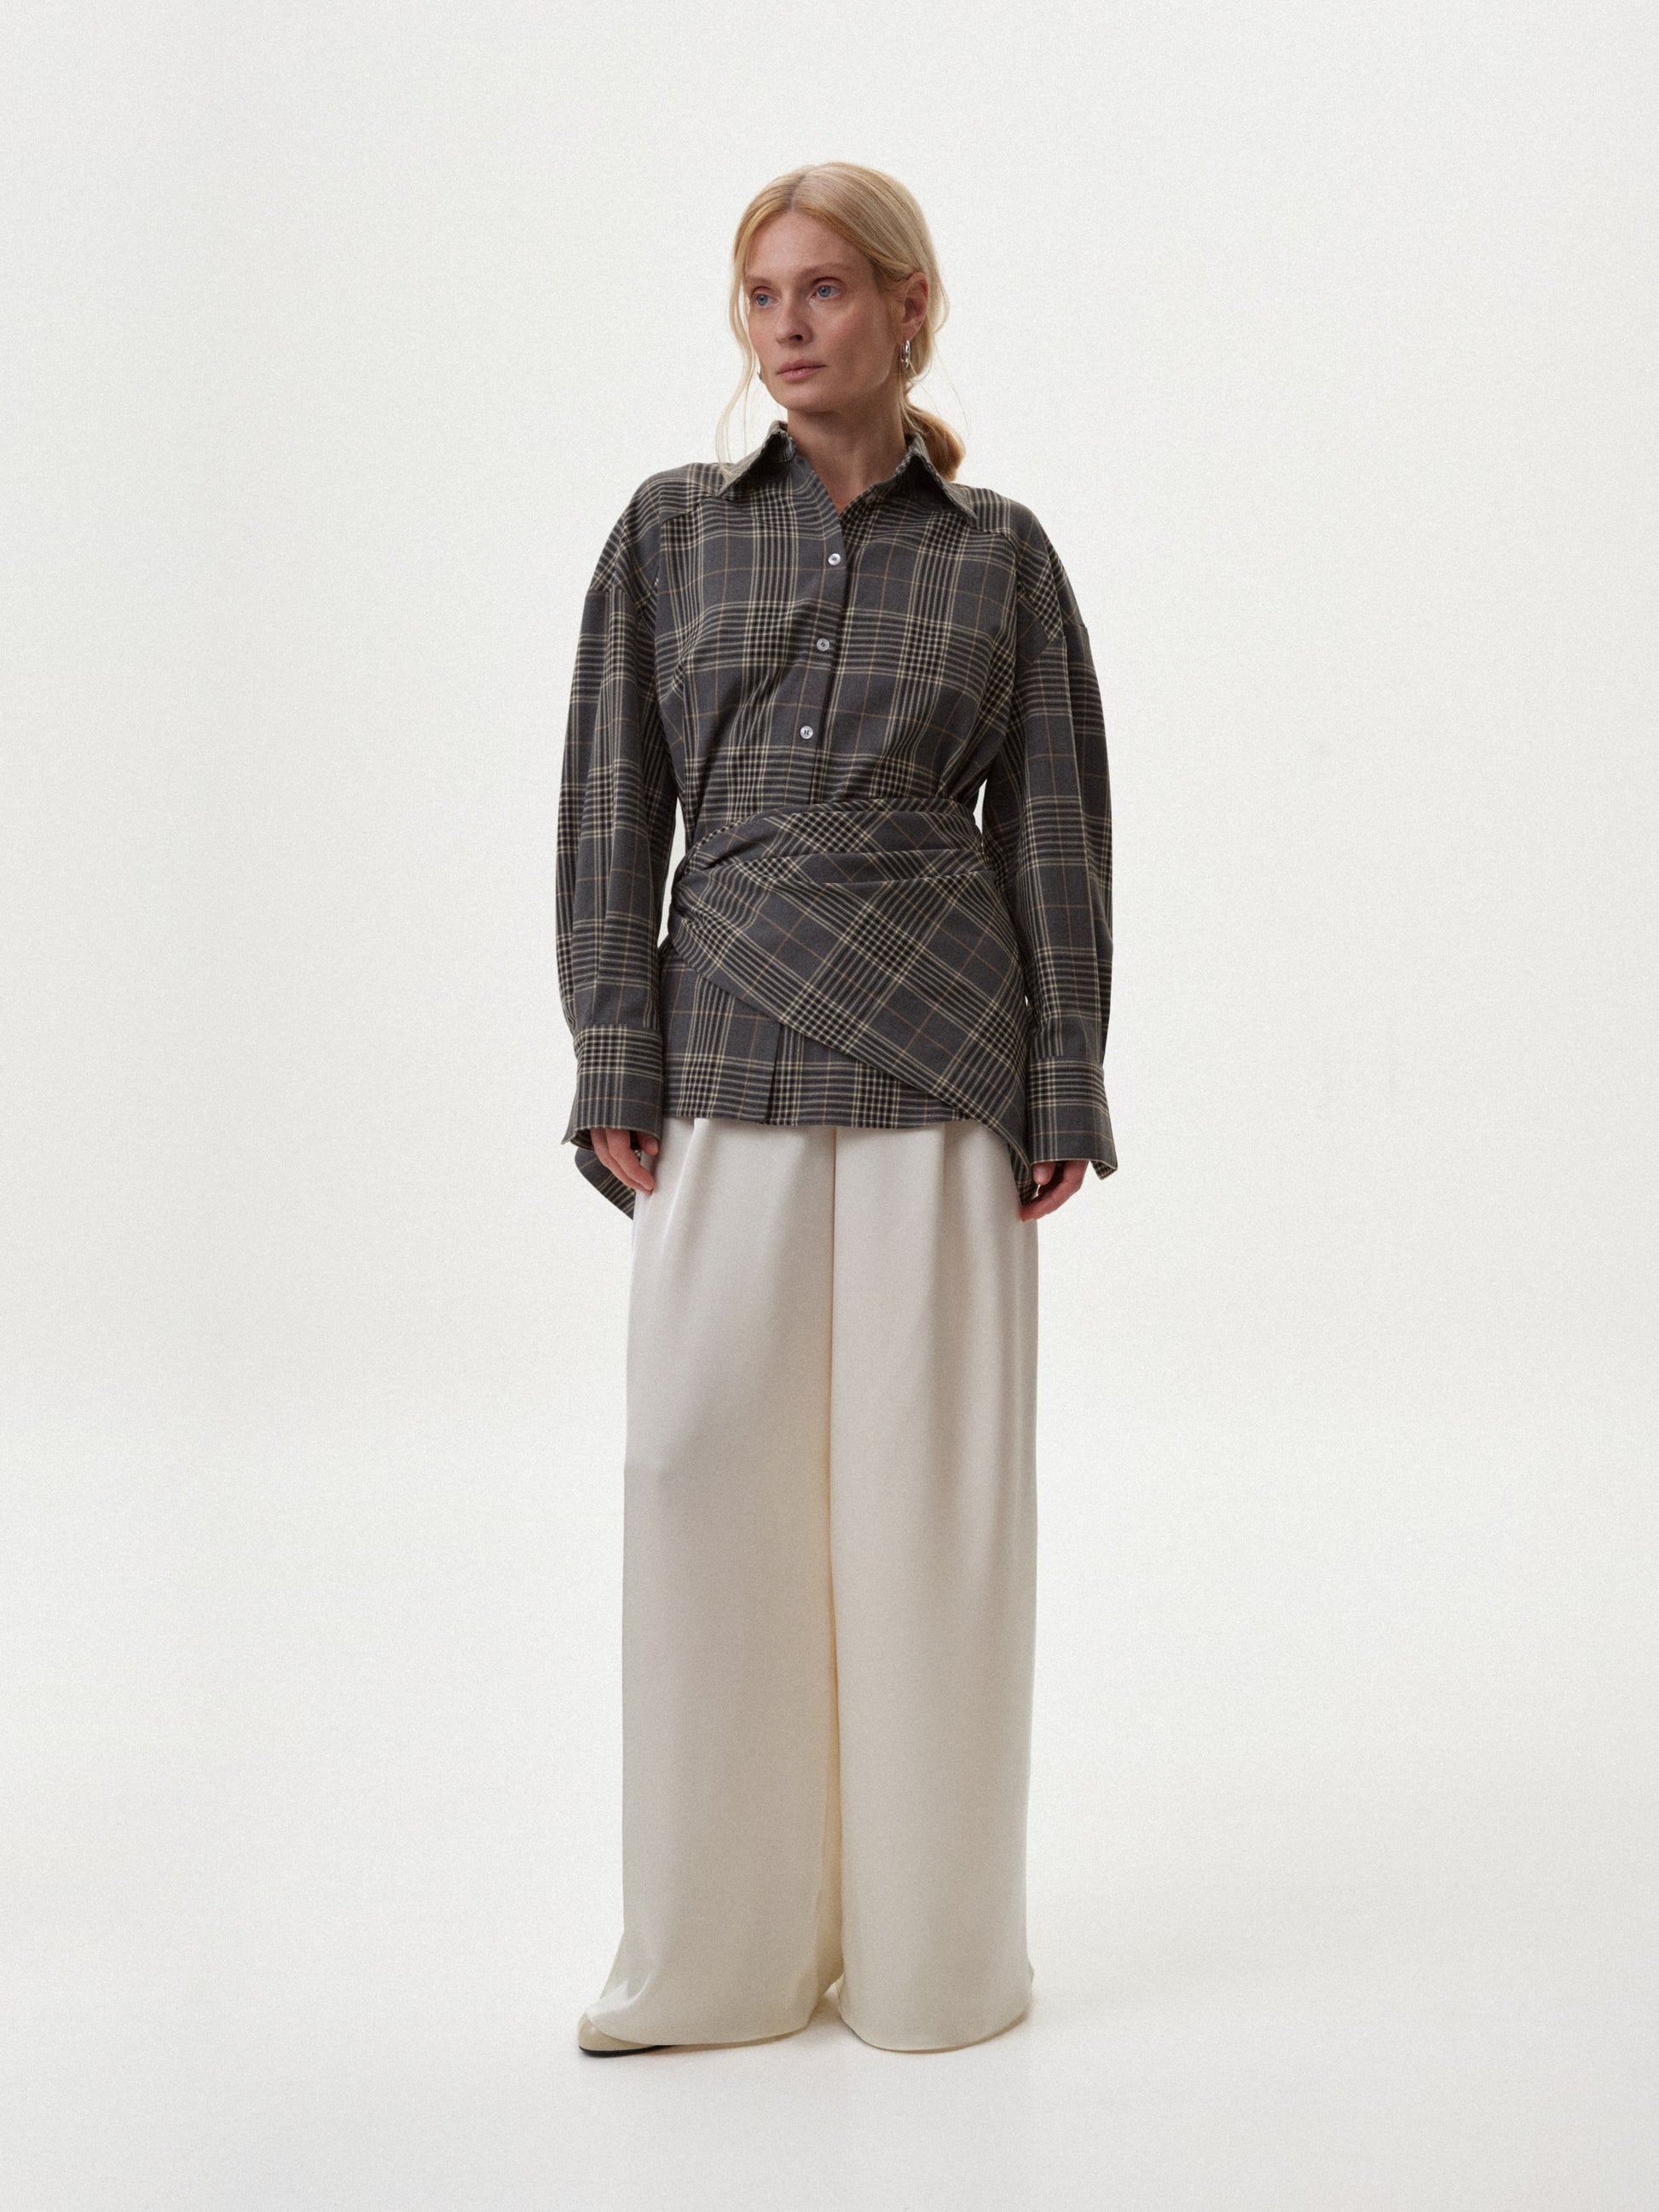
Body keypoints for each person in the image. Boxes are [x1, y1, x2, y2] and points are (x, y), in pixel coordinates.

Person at [556, 161, 1116, 2056]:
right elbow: (611, 808)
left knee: (922, 1513)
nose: (787, 326)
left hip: (946, 1057)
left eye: (824, 289)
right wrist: (611, 1049)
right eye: (761, 295)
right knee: (695, 1477)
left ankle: (934, 1967)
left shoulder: (1003, 556)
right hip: (720, 1034)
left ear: (907, 310)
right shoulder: (669, 529)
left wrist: (1063, 1072)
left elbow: (1055, 831)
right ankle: (715, 1964)